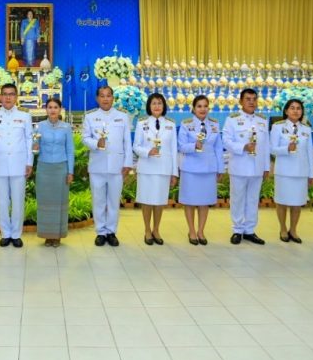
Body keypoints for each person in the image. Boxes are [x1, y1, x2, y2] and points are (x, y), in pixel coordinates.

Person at [81, 86, 133, 247]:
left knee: (113, 201)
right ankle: (100, 232)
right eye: (102, 96)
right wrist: (96, 143)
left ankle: (111, 232)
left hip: (117, 167)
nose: (105, 99)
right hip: (97, 166)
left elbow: (127, 142)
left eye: (108, 96)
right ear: (97, 99)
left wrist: (128, 164)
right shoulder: (90, 116)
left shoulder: (122, 116)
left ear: (113, 98)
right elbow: (85, 138)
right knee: (98, 201)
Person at [0, 83, 33, 247]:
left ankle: (16, 234)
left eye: (11, 94)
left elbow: (29, 139)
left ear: (16, 96)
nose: (8, 97)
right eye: (5, 94)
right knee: (2, 201)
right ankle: (5, 233)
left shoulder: (24, 115)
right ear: (0, 97)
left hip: (19, 165)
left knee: (18, 201)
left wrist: (29, 162)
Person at [222, 88, 270, 245]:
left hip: (257, 167)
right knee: (237, 199)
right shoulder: (232, 119)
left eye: (254, 99)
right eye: (248, 99)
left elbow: (266, 146)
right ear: (241, 101)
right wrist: (243, 147)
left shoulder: (262, 120)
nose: (251, 102)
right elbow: (226, 141)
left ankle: (249, 230)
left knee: (253, 199)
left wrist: (266, 167)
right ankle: (237, 229)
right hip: (239, 166)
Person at [177, 95, 224, 245]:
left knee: (205, 201)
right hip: (190, 169)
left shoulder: (215, 124)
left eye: (205, 106)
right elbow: (181, 146)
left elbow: (218, 148)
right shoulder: (186, 124)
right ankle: (191, 230)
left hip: (209, 168)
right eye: (199, 106)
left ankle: (201, 231)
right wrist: (194, 146)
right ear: (193, 108)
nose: (203, 109)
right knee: (190, 201)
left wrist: (220, 168)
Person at [133, 93, 178, 245]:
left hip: (163, 168)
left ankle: (156, 229)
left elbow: (174, 150)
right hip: (147, 167)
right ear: (149, 106)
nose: (157, 106)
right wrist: (147, 151)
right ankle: (147, 230)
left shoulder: (171, 124)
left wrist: (174, 173)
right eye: (154, 103)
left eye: (159, 103)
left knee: (159, 201)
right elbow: (136, 146)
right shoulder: (142, 123)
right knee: (146, 200)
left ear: (164, 106)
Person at [270, 98, 313, 244]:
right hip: (284, 172)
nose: (296, 111)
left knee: (297, 203)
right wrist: (286, 149)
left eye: (298, 108)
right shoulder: (278, 127)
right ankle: (283, 228)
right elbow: (272, 149)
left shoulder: (306, 129)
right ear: (286, 111)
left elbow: (310, 153)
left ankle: (293, 230)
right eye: (292, 108)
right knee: (282, 202)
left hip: (301, 172)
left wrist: (311, 174)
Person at [35, 97, 74, 247]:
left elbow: (70, 150)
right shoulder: (39, 126)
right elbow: (34, 147)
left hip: (60, 168)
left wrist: (70, 171)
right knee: (45, 202)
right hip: (44, 168)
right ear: (46, 109)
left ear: (60, 110)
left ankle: (57, 235)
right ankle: (47, 235)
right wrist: (34, 147)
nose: (52, 110)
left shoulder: (66, 127)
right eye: (50, 107)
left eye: (55, 107)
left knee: (59, 202)